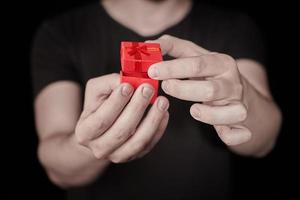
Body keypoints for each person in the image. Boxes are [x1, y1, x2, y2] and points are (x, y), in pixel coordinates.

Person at [31, 0, 282, 199]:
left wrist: (243, 96)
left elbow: (265, 141)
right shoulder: (60, 32)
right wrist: (91, 144)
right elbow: (57, 167)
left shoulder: (234, 26)